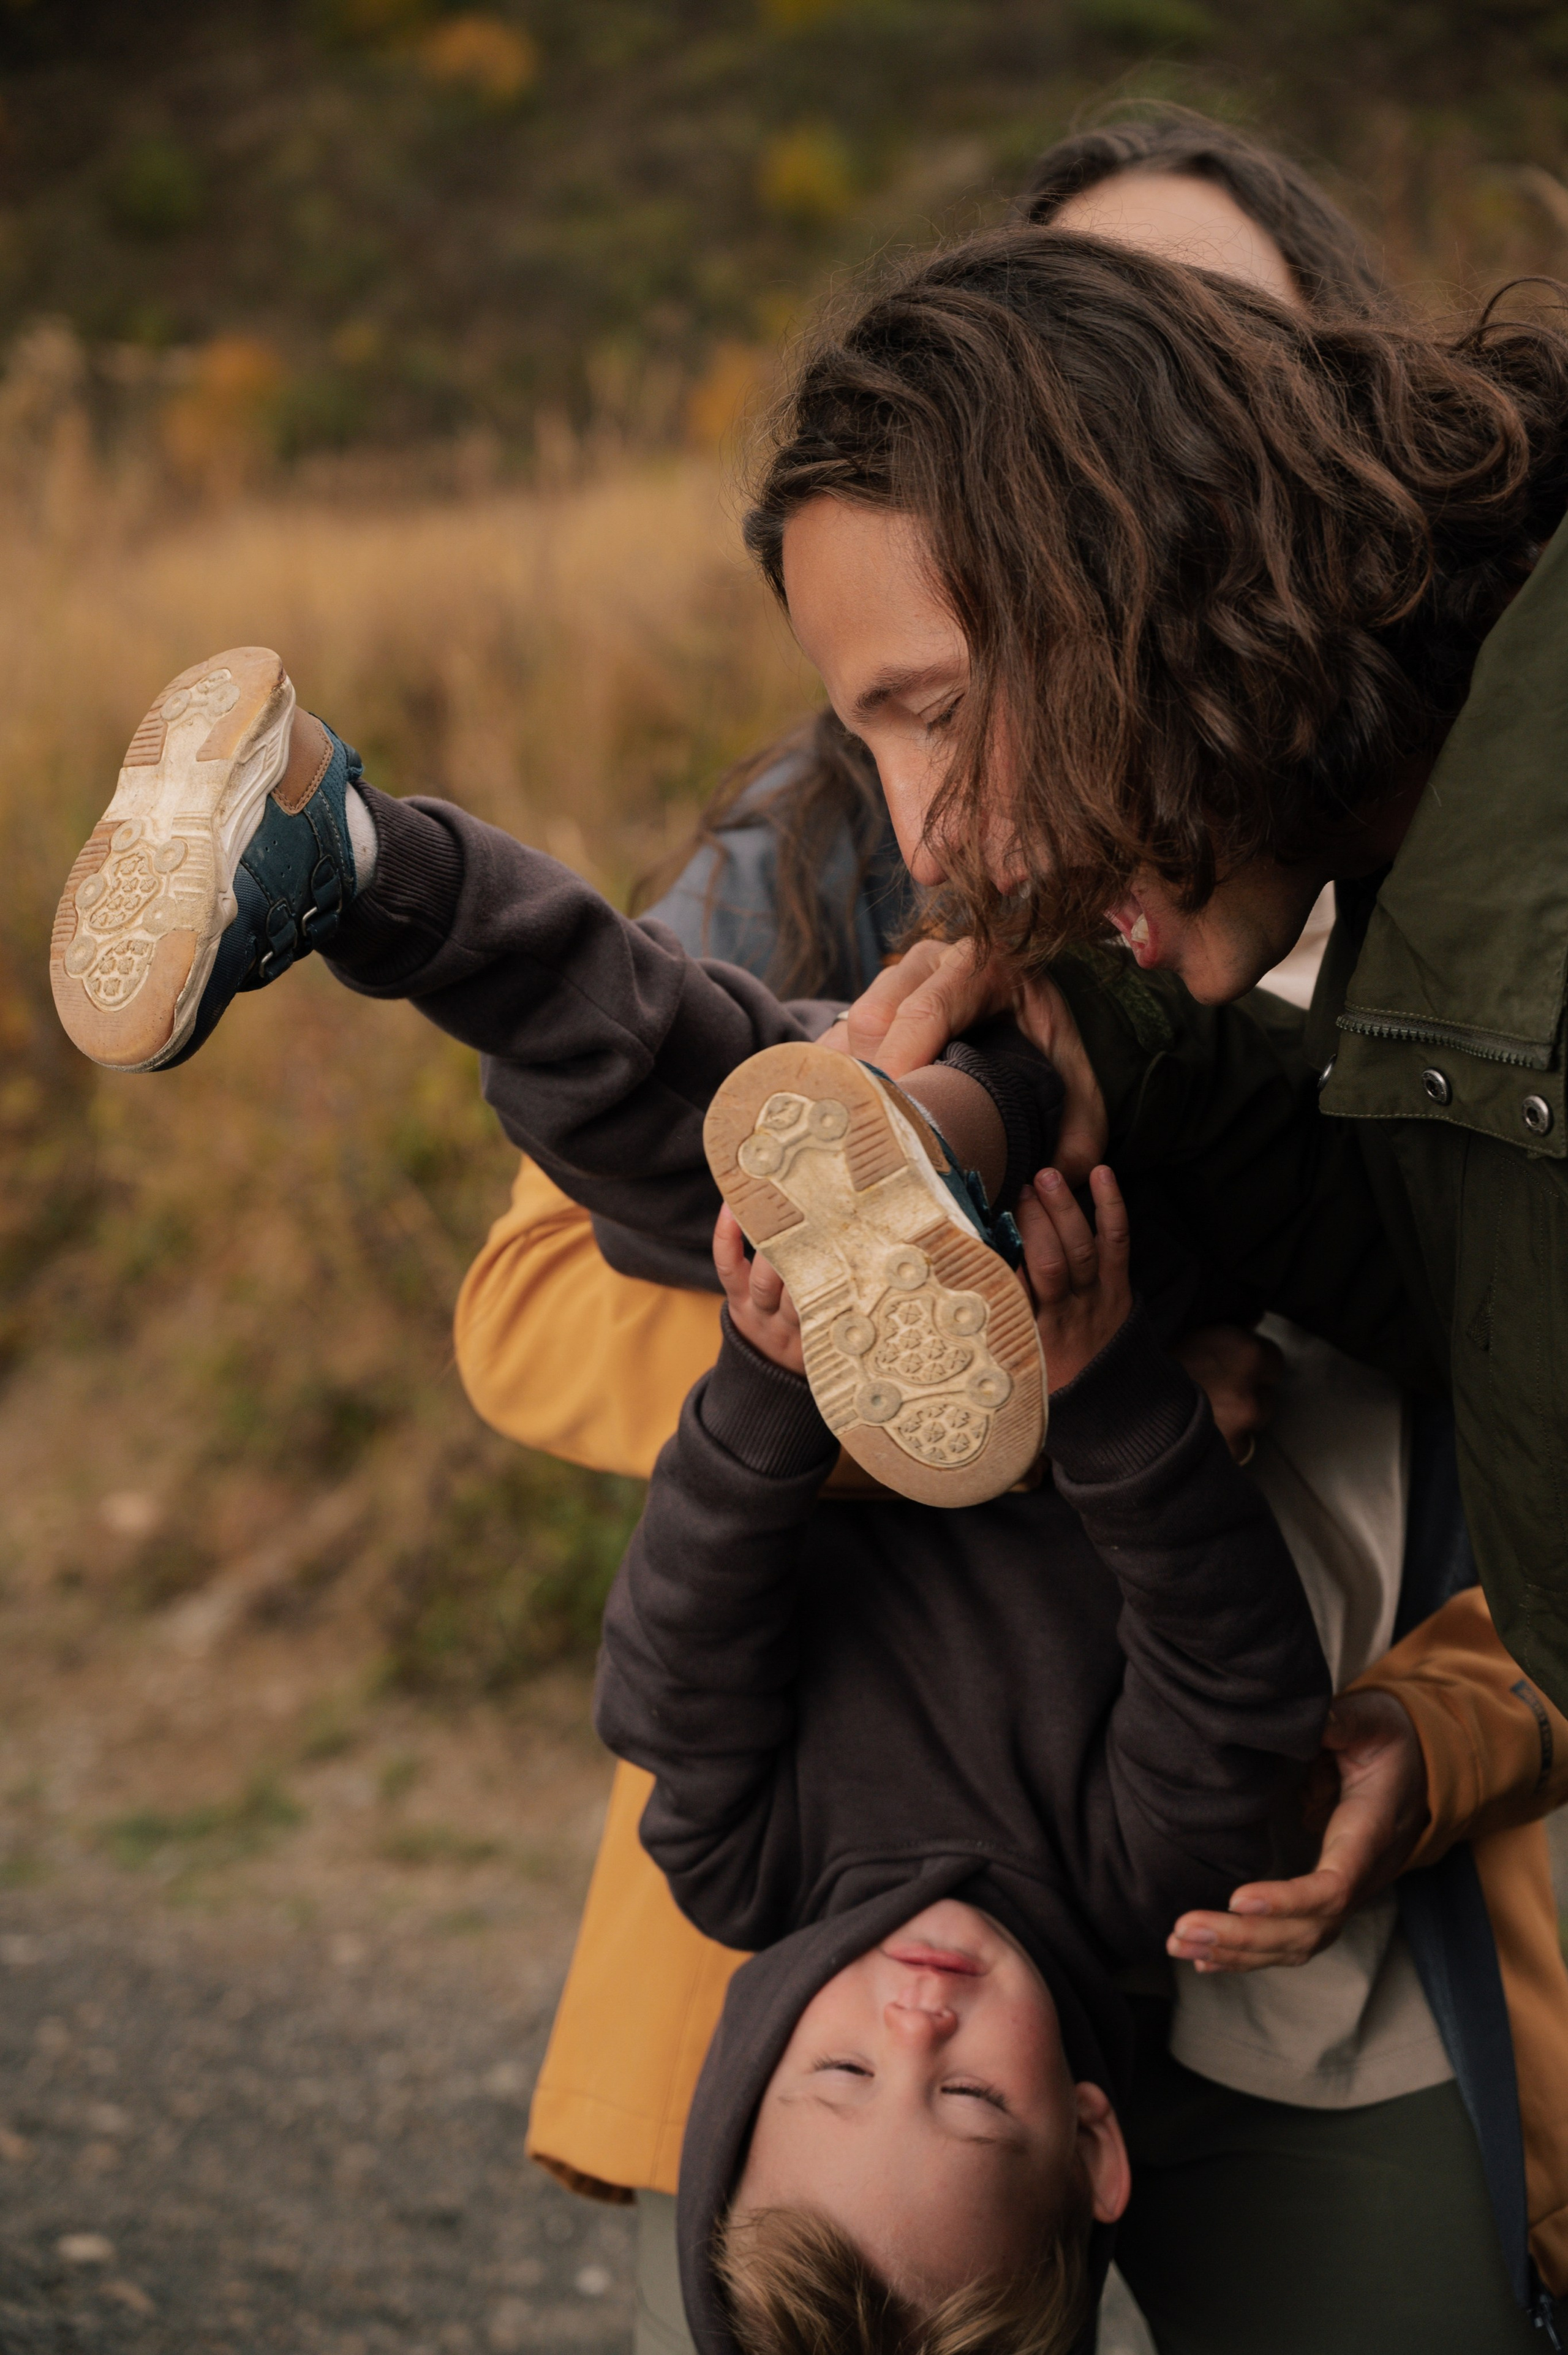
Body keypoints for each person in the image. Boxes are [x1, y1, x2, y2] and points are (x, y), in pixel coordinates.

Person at [44, 107, 1568, 2353]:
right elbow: (569, 1276)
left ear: (1153, 536)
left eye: (943, 716)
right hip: (1053, 1317)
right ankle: (357, 867)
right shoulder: (1260, 930)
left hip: (1358, 1879)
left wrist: (1034, 1393)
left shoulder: (1441, 962)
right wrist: (947, 1167)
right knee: (733, 1094)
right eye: (880, 738)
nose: (933, 828)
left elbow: (691, 1680)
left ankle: (381, 866)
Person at [592, 1034, 1328, 2354]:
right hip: (1085, 1281)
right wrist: (1104, 1392)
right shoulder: (1150, 1874)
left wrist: (762, 1390)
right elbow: (1232, 1668)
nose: (917, 2023)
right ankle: (976, 1073)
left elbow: (678, 1640)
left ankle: (376, 886)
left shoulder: (737, 1862)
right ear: (1090, 2133)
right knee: (1097, 1133)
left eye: (844, 2073)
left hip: (826, 1329)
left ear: (743, 2078)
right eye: (976, 2098)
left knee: (619, 1111)